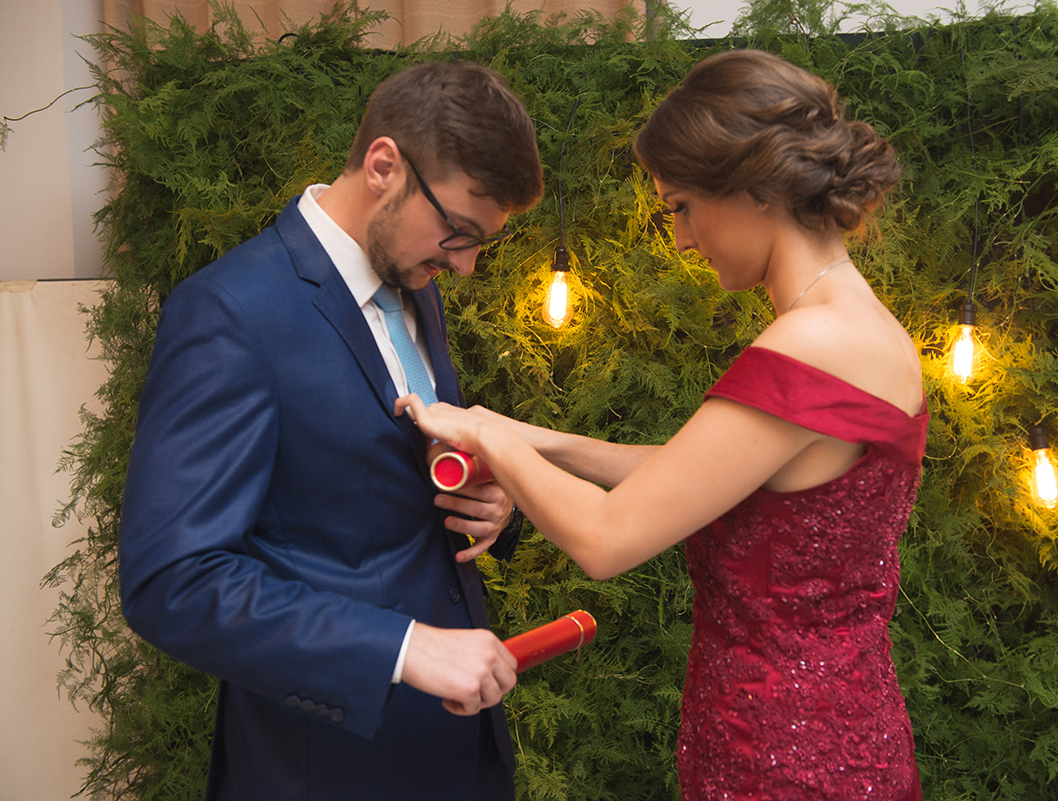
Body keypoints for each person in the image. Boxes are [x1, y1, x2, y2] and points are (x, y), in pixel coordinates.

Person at [398, 50, 927, 800]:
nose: (679, 237)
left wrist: (489, 439)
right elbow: (705, 473)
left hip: (787, 757)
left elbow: (607, 538)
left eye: (680, 205)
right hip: (821, 731)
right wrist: (529, 434)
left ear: (752, 190)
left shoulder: (816, 342)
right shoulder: (854, 324)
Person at [118, 61, 542, 801]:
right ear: (384, 165)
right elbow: (170, 580)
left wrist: (490, 507)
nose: (467, 266)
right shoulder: (229, 313)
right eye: (458, 232)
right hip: (324, 765)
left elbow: (390, 482)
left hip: (463, 754)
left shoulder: (414, 279)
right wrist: (401, 648)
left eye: (483, 244)